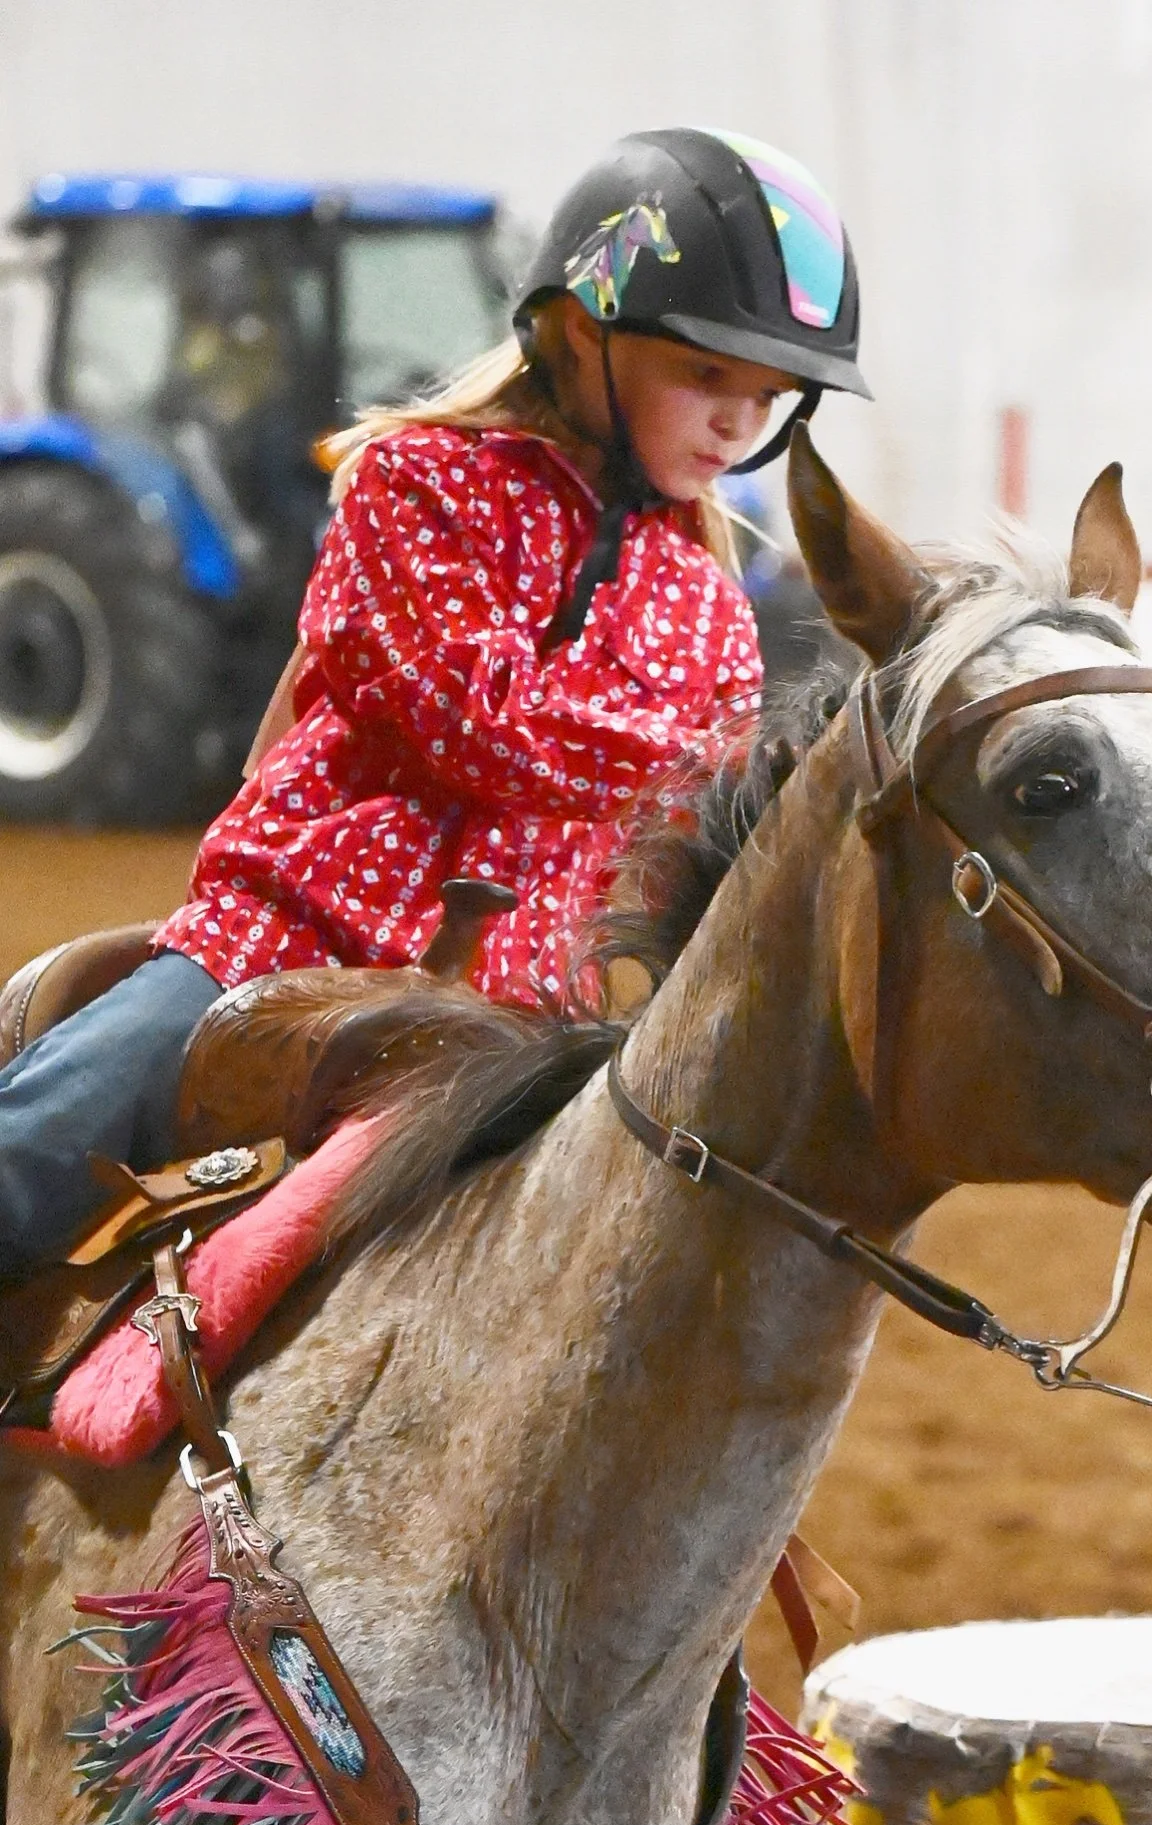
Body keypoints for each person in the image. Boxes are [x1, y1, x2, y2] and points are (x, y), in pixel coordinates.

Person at [0, 127, 868, 1279]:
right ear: (577, 333)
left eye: (765, 397)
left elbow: (682, 845)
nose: (735, 423)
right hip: (280, 956)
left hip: (514, 1034)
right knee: (34, 1151)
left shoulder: (710, 603)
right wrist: (676, 747)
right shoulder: (415, 484)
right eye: (706, 375)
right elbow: (475, 721)